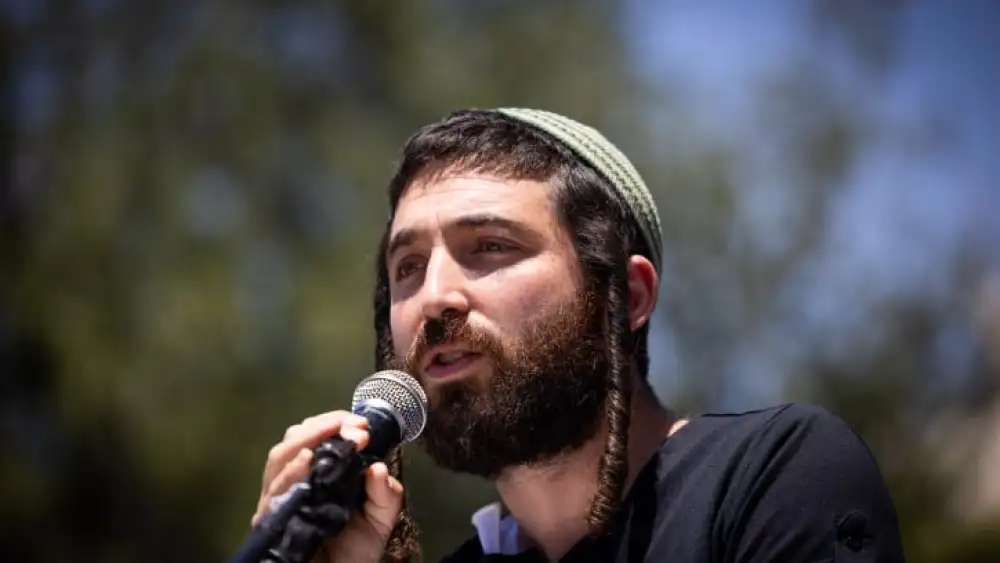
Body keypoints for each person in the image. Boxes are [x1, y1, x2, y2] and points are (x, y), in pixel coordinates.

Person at [250, 108, 907, 562]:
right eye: (408, 267)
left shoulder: (773, 476)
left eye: (491, 246)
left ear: (629, 299)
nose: (435, 297)